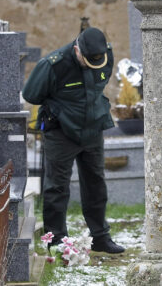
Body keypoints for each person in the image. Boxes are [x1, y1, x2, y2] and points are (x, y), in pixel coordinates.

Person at [23, 27, 124, 254]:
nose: (91, 65)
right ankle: (57, 240)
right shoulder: (52, 65)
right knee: (57, 187)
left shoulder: (103, 55)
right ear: (77, 49)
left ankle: (100, 237)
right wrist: (59, 108)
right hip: (61, 132)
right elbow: (31, 94)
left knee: (96, 184)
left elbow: (101, 81)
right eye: (86, 61)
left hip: (92, 129)